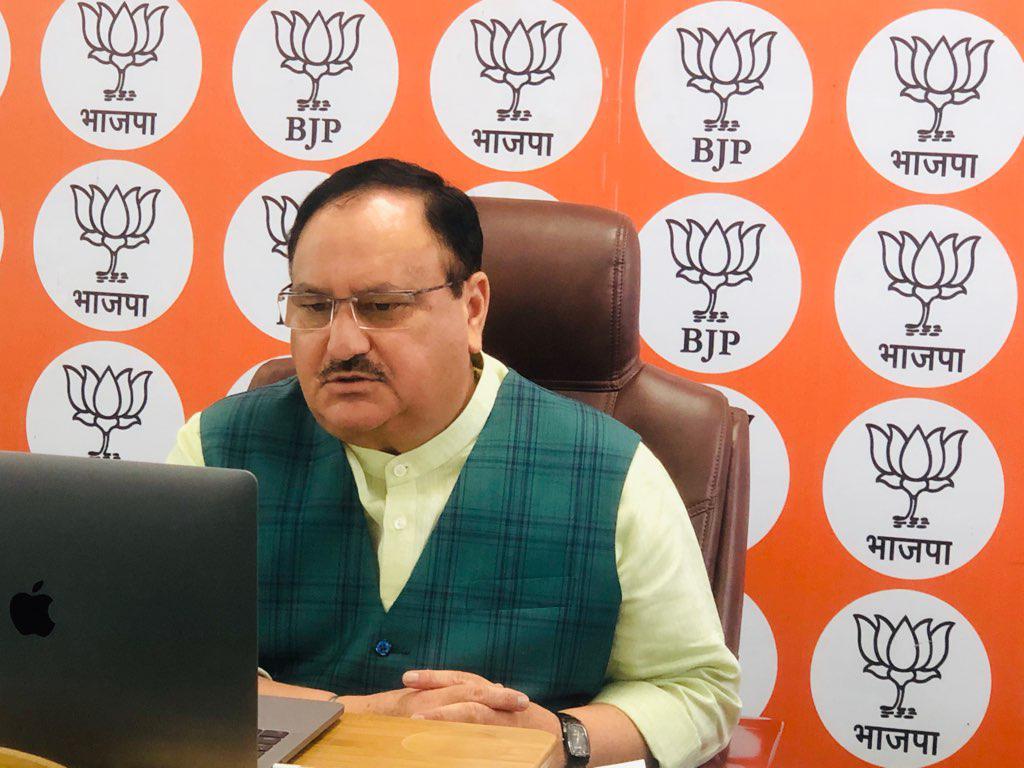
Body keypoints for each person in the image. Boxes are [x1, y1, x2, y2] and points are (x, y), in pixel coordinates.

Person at [167, 159, 740, 768]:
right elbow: (160, 662)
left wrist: (558, 733)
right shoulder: (217, 453)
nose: (341, 344)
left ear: (472, 308)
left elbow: (697, 690)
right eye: (314, 306)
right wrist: (368, 714)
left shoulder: (613, 471)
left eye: (382, 306)